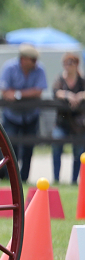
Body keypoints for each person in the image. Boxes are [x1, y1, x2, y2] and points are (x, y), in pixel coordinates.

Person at [0, 44, 48, 183]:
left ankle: (23, 178)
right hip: (12, 116)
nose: (36, 62)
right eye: (33, 59)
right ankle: (10, 178)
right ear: (24, 59)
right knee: (10, 148)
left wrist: (17, 94)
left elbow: (39, 91)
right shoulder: (9, 67)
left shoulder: (39, 69)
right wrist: (26, 94)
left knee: (28, 148)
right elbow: (4, 91)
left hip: (31, 116)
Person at [51, 52, 85, 184]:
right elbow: (55, 92)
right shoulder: (60, 79)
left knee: (78, 152)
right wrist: (67, 95)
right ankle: (56, 179)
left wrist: (81, 95)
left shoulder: (82, 81)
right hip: (62, 122)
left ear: (77, 64)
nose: (68, 66)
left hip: (78, 124)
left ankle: (74, 180)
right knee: (56, 146)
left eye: (71, 63)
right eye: (65, 63)